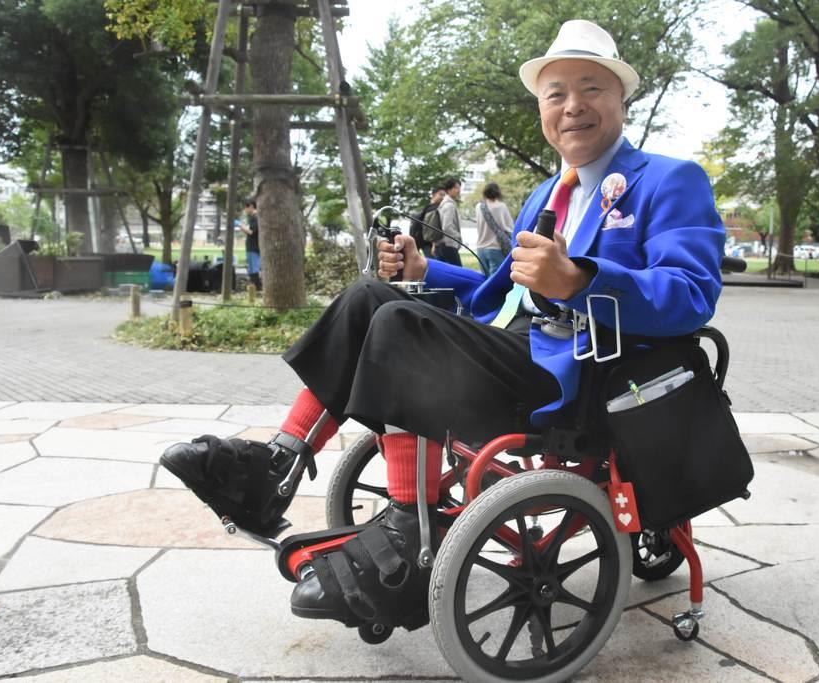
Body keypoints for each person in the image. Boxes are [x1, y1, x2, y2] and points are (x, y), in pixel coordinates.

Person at [160, 19, 724, 632]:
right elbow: (499, 291)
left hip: (584, 374)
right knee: (371, 296)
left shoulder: (670, 180)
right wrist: (428, 268)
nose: (572, 106)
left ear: (620, 97)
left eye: (590, 87)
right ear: (542, 107)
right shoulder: (545, 194)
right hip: (519, 349)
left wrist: (584, 280)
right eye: (555, 92)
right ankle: (275, 467)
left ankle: (410, 536)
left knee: (403, 328)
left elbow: (692, 293)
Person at [475, 181, 515, 275]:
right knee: (495, 282)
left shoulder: (479, 207)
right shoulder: (501, 206)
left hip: (480, 248)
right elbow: (509, 227)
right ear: (498, 192)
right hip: (495, 248)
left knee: (485, 279)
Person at [432, 178, 464, 266]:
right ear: (449, 190)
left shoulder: (444, 204)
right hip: (448, 244)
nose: (459, 191)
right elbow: (446, 227)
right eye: (456, 188)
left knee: (444, 274)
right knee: (458, 273)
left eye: (459, 188)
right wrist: (458, 236)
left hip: (442, 244)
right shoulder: (449, 205)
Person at [411, 186, 444, 259]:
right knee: (432, 263)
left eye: (443, 195)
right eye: (440, 194)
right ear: (433, 194)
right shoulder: (433, 208)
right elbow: (433, 227)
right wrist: (434, 244)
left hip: (423, 241)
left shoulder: (429, 208)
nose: (442, 197)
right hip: (425, 241)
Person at [241, 199, 261, 289]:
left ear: (251, 206)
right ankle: (255, 285)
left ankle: (257, 286)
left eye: (246, 207)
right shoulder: (253, 218)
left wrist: (242, 228)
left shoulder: (255, 217)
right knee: (252, 266)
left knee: (253, 267)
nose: (245, 210)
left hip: (253, 246)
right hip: (253, 246)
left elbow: (252, 232)